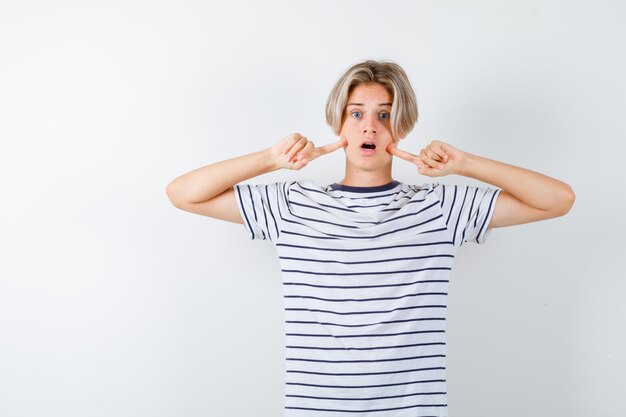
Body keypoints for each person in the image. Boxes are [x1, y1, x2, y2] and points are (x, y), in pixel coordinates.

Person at [166, 59, 575, 417]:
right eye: (356, 113)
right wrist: (270, 160)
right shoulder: (293, 204)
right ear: (338, 123)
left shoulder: (440, 208)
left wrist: (465, 164)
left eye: (384, 115)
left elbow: (557, 200)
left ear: (403, 126)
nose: (370, 127)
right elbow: (182, 193)